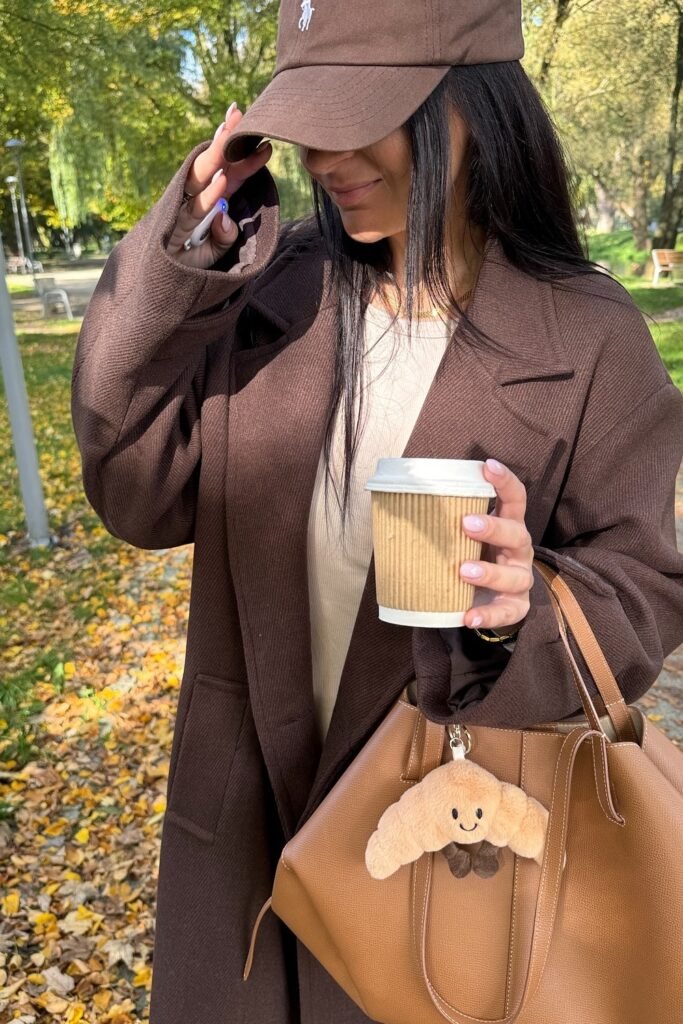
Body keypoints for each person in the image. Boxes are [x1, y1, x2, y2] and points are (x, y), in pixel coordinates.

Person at [70, 1, 683, 1021]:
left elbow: (643, 586)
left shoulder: (589, 336)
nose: (326, 154)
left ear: (474, 105)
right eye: (310, 118)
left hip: (448, 870)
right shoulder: (270, 291)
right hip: (244, 854)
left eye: (368, 113)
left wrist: (522, 610)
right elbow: (131, 481)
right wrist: (179, 259)